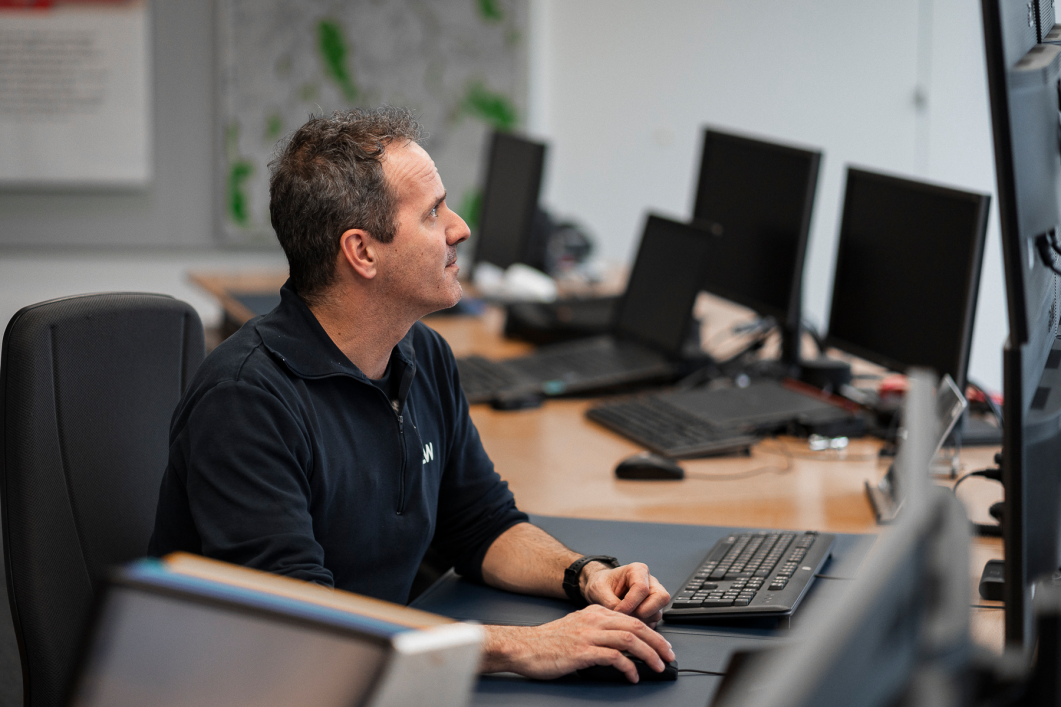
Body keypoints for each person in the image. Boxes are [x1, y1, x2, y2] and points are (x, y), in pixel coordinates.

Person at [149, 107, 673, 682]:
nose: (460, 228)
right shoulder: (245, 400)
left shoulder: (421, 353)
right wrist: (527, 646)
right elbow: (306, 627)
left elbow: (480, 524)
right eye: (432, 213)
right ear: (362, 252)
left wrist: (585, 575)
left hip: (375, 672)